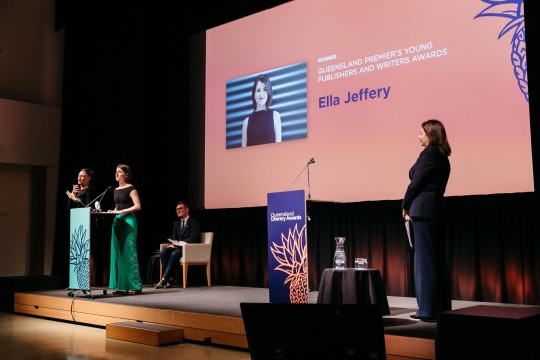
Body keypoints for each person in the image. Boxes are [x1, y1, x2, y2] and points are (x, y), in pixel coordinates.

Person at [402, 119, 452, 322]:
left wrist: (405, 204)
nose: (418, 136)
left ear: (431, 135)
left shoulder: (430, 154)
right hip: (434, 211)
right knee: (436, 260)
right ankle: (438, 307)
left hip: (423, 211)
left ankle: (428, 310)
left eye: (422, 133)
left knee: (425, 263)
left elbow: (415, 183)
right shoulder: (442, 156)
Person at [107, 164, 143, 295]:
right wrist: (113, 211)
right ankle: (120, 286)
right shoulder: (115, 190)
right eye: (116, 171)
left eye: (120, 172)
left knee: (129, 253)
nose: (116, 174)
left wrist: (122, 211)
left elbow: (137, 206)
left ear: (126, 175)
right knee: (117, 253)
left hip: (128, 221)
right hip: (117, 221)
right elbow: (118, 207)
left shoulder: (131, 188)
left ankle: (135, 285)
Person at [155, 201, 201, 288]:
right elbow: (174, 237)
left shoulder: (194, 222)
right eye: (177, 209)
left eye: (180, 209)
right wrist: (173, 243)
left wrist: (179, 244)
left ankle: (164, 279)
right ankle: (170, 279)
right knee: (163, 252)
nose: (178, 211)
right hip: (178, 248)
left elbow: (193, 238)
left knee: (175, 253)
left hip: (189, 249)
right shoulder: (176, 223)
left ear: (187, 210)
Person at [241, 74, 282, 147]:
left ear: (269, 92)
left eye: (265, 90)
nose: (261, 94)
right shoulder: (246, 122)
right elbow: (242, 154)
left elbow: (279, 149)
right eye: (258, 90)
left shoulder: (275, 116)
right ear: (254, 94)